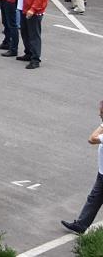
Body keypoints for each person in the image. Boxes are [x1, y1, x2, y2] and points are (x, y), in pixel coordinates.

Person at [62, 100, 103, 235]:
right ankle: (81, 225)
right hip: (102, 172)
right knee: (94, 198)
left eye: (102, 112)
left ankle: (81, 224)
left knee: (94, 198)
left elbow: (91, 139)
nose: (99, 114)